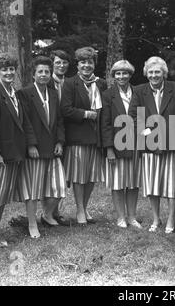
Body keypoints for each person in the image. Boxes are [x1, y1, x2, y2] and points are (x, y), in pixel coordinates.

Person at [0, 53, 37, 247]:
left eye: (11, 69)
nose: (8, 72)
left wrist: (30, 144)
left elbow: (24, 121)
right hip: (0, 154)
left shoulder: (14, 93)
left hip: (14, 152)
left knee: (2, 194)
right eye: (4, 69)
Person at [129, 56, 175, 233]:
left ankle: (171, 219)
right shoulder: (139, 90)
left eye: (157, 72)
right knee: (152, 183)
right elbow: (133, 115)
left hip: (172, 143)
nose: (154, 75)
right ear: (146, 73)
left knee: (172, 183)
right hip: (149, 144)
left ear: (164, 73)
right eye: (151, 72)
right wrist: (147, 134)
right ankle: (156, 218)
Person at [16, 56, 66, 238]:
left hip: (53, 148)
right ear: (33, 74)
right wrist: (31, 145)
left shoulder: (53, 93)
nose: (44, 75)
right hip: (35, 150)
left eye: (46, 71)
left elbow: (60, 120)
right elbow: (25, 122)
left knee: (59, 186)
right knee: (34, 190)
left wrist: (60, 141)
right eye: (40, 72)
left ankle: (47, 214)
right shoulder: (25, 93)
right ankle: (32, 224)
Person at [61, 47, 107, 225]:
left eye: (90, 62)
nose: (86, 65)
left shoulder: (101, 83)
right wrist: (87, 114)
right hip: (78, 136)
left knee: (92, 175)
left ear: (94, 64)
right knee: (79, 176)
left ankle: (85, 207)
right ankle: (79, 209)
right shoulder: (70, 83)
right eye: (83, 62)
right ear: (77, 64)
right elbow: (65, 109)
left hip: (96, 137)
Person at [101, 60, 142, 229]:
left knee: (133, 182)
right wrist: (109, 149)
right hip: (116, 145)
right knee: (118, 182)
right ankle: (120, 217)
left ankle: (132, 216)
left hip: (136, 144)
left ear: (130, 75)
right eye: (118, 73)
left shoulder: (139, 92)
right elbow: (105, 123)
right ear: (113, 76)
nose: (121, 76)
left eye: (125, 73)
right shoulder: (107, 95)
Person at [46, 49, 71, 226]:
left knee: (64, 174)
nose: (61, 65)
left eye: (64, 62)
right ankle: (48, 212)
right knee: (51, 176)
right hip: (50, 134)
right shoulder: (46, 83)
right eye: (57, 63)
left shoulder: (70, 83)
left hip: (69, 133)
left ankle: (55, 211)